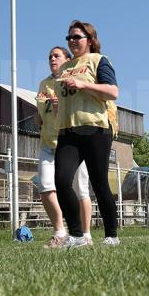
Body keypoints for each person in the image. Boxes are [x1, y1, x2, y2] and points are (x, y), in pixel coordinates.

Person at [54, 20, 120, 247]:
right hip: (67, 131)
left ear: (90, 40)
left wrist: (83, 85)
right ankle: (77, 235)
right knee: (61, 182)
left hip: (95, 129)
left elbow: (112, 92)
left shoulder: (99, 60)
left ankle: (112, 235)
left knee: (99, 182)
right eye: (69, 38)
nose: (72, 41)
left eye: (76, 37)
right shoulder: (64, 68)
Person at [35, 46, 93, 248]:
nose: (52, 58)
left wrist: (61, 106)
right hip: (48, 143)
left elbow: (82, 108)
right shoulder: (44, 83)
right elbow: (40, 111)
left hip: (72, 143)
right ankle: (60, 232)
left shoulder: (72, 79)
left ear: (67, 59)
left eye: (56, 55)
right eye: (49, 56)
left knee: (80, 190)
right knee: (45, 187)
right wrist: (39, 117)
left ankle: (85, 235)